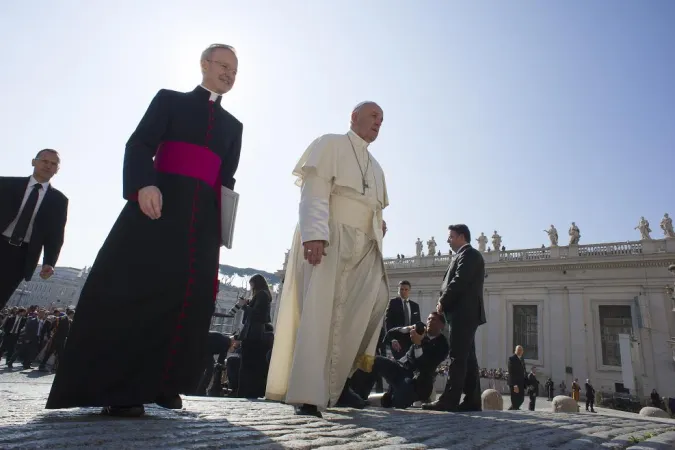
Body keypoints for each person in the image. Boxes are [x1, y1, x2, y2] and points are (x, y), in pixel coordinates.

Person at [46, 43, 243, 417]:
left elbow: (226, 178)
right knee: (135, 291)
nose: (229, 75)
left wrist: (222, 223)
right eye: (223, 66)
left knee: (186, 302)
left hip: (201, 226)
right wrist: (143, 185)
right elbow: (139, 143)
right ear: (203, 65)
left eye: (235, 71)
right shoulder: (169, 100)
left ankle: (165, 384)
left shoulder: (235, 127)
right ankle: (121, 389)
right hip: (158, 207)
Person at [266, 101, 390, 418]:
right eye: (373, 115)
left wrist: (378, 226)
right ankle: (308, 393)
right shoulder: (330, 144)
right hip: (330, 237)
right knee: (319, 315)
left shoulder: (377, 167)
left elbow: (375, 210)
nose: (379, 121)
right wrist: (314, 233)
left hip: (364, 247)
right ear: (354, 117)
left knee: (366, 307)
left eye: (382, 118)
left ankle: (337, 384)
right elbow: (315, 190)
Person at [423, 224, 486, 412]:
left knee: (457, 356)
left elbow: (459, 281)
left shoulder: (469, 255)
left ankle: (450, 399)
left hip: (463, 313)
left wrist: (443, 300)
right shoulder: (463, 256)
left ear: (461, 236)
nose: (448, 240)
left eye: (450, 236)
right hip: (463, 312)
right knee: (468, 358)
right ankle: (472, 399)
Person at [0, 149, 68, 310]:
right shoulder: (6, 184)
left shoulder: (59, 200)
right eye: (45, 161)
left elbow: (56, 235)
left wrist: (49, 262)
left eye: (54, 164)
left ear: (57, 170)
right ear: (34, 162)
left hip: (21, 255)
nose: (48, 166)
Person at [376, 312, 449, 409]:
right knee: (374, 361)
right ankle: (359, 393)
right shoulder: (420, 332)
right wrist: (406, 329)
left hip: (416, 381)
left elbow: (425, 367)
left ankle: (390, 397)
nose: (430, 321)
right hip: (399, 368)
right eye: (428, 319)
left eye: (434, 319)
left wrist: (417, 344)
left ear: (441, 325)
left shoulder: (443, 345)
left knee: (401, 397)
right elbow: (390, 334)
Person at [236, 274, 273, 399]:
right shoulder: (264, 295)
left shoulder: (261, 295)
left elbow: (257, 315)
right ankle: (250, 391)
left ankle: (244, 391)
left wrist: (245, 306)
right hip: (256, 333)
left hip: (252, 334)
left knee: (247, 364)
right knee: (252, 364)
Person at [385, 280, 421, 359]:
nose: (403, 291)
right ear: (398, 290)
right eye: (401, 289)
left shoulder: (415, 306)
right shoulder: (393, 303)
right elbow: (388, 322)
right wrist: (392, 339)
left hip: (411, 341)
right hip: (397, 341)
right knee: (400, 362)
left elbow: (417, 323)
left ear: (409, 291)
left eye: (406, 289)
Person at [507, 345, 527, 410]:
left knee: (521, 398)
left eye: (521, 350)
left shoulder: (522, 359)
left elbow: (524, 371)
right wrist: (514, 385)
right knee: (515, 398)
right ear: (515, 350)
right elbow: (511, 372)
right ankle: (515, 409)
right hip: (514, 383)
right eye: (518, 350)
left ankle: (513, 408)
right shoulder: (511, 359)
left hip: (521, 382)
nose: (520, 351)